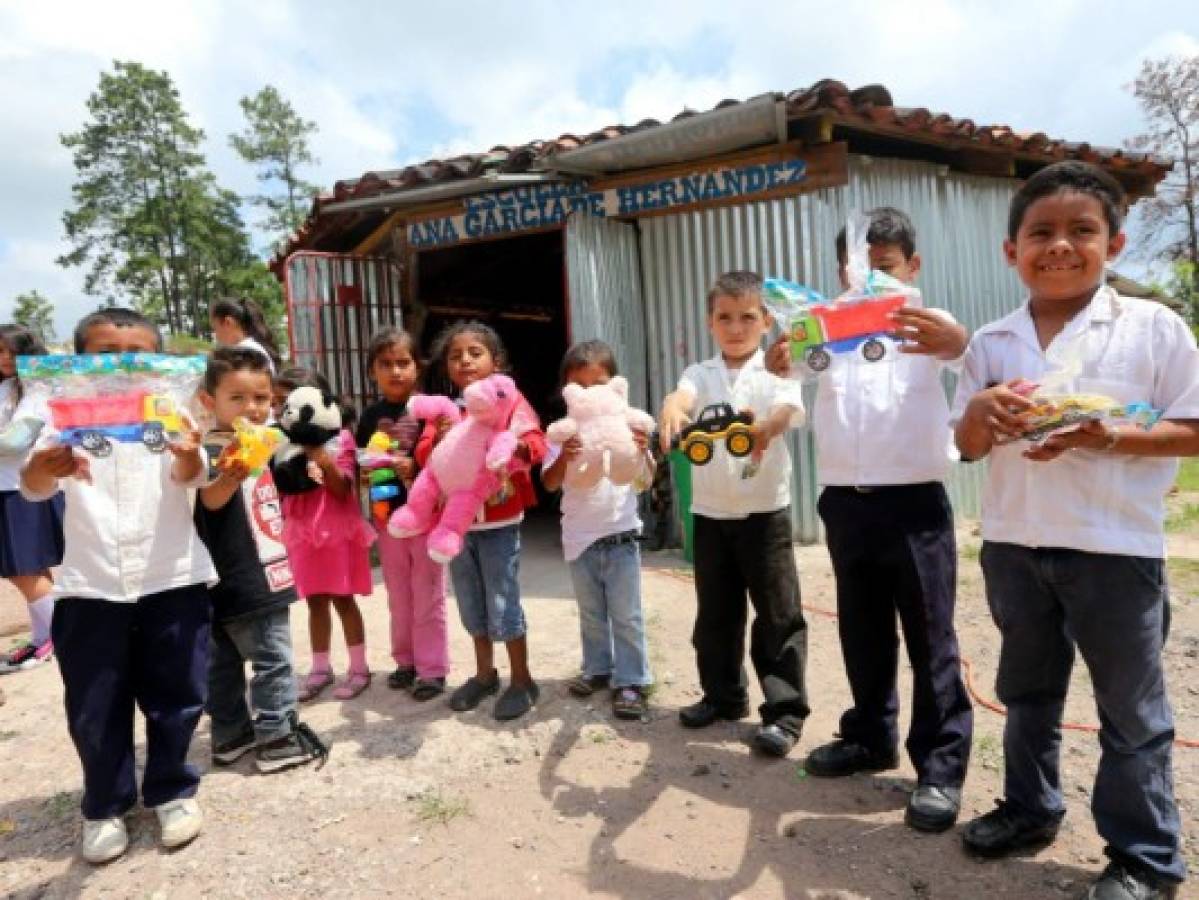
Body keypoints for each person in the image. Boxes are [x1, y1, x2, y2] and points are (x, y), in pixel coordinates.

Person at [953, 161, 1197, 900]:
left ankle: (1144, 859)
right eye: (1040, 233)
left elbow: (1192, 425)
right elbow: (963, 445)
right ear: (1010, 251)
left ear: (1114, 244)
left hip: (1114, 550)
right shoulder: (991, 343)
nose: (1058, 246)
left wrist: (1108, 435)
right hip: (1013, 543)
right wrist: (975, 415)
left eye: (1080, 231)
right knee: (1026, 692)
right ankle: (1029, 808)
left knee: (1130, 712)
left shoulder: (1150, 328)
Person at [765, 208, 974, 832]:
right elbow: (787, 365)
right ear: (840, 272)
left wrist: (957, 341)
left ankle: (939, 766)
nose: (869, 279)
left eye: (883, 267)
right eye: (857, 268)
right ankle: (869, 736)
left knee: (930, 638)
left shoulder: (927, 328)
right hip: (845, 501)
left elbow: (967, 357)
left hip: (914, 504)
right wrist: (782, 356)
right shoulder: (825, 324)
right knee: (862, 629)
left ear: (912, 268)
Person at [21, 307, 214, 864]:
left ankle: (172, 789)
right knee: (94, 703)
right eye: (106, 354)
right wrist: (46, 467)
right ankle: (104, 804)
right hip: (90, 583)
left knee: (177, 692)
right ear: (78, 360)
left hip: (172, 575)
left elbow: (193, 474)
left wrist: (186, 455)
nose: (123, 367)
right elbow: (32, 486)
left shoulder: (172, 406)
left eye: (137, 355)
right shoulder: (59, 412)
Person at [658, 270, 809, 757]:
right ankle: (723, 698)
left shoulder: (777, 372)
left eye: (748, 317)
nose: (736, 327)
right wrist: (672, 410)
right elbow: (680, 399)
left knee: (777, 617)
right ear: (710, 322)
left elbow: (787, 412)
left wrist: (767, 426)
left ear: (766, 321)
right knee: (716, 618)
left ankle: (784, 714)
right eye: (725, 317)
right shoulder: (699, 374)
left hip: (766, 515)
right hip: (710, 516)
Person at [195, 348, 328, 773]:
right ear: (207, 401)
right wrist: (231, 474)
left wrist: (303, 473)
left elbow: (277, 482)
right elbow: (209, 501)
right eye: (238, 398)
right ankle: (278, 737)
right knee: (272, 658)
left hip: (231, 574)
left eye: (262, 398)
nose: (252, 408)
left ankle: (230, 735)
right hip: (247, 575)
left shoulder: (261, 444)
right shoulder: (207, 453)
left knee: (225, 663)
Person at [420, 322, 547, 721]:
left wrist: (518, 449)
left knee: (502, 600)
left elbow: (537, 442)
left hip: (499, 523)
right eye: (456, 356)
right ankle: (484, 674)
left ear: (496, 361)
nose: (465, 360)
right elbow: (426, 458)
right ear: (447, 367)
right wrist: (436, 438)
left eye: (475, 352)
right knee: (472, 603)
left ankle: (523, 680)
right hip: (456, 529)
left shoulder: (509, 401)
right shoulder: (445, 410)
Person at [541, 340, 654, 720]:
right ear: (568, 391)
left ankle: (632, 679)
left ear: (616, 385)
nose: (592, 393)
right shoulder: (561, 435)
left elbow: (644, 481)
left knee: (626, 615)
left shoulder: (630, 428)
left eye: (600, 383)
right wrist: (567, 457)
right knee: (591, 613)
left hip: (621, 536)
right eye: (581, 385)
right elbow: (550, 483)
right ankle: (598, 668)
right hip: (579, 540)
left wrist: (641, 451)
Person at [269, 367, 375, 702]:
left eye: (284, 400)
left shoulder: (338, 438)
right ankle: (320, 668)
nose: (278, 408)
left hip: (335, 529)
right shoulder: (281, 442)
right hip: (303, 530)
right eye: (276, 403)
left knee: (343, 599)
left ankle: (359, 669)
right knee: (314, 600)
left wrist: (321, 459)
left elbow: (344, 490)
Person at [356, 327, 448, 701]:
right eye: (385, 364)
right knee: (398, 594)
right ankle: (406, 661)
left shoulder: (433, 411)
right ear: (372, 371)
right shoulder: (370, 416)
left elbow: (448, 460)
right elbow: (361, 462)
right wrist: (363, 475)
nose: (395, 371)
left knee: (427, 594)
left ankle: (431, 669)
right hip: (386, 517)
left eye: (403, 363)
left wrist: (416, 467)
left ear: (418, 367)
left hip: (425, 517)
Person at [0, 324, 63, 672]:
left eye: (13, 351)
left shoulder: (38, 389)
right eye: (0, 352)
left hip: (21, 489)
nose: (6, 358)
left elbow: (14, 442)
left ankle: (57, 636)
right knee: (30, 570)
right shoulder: (8, 387)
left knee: (22, 571)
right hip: (8, 487)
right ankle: (44, 639)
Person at [211, 297, 282, 372]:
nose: (215, 335)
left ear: (228, 322)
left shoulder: (244, 354)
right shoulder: (253, 348)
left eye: (215, 328)